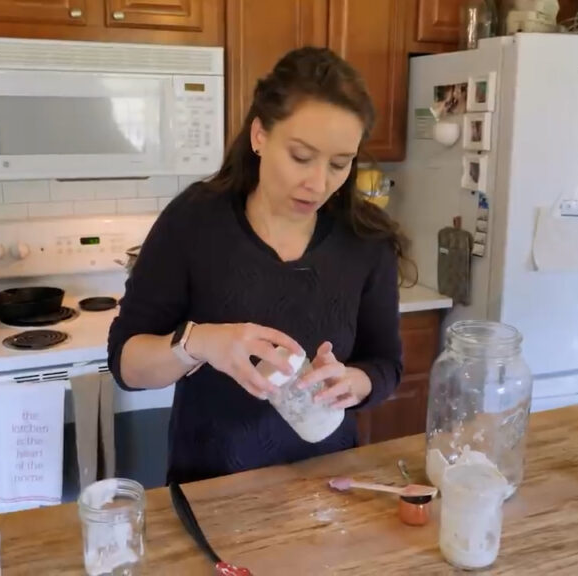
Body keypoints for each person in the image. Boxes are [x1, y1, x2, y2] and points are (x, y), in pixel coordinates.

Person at [107, 47, 409, 485]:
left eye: (340, 164)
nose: (319, 183)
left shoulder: (367, 242)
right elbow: (126, 363)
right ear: (260, 136)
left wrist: (353, 381)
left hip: (328, 486)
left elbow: (387, 365)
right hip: (211, 488)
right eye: (302, 157)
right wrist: (200, 342)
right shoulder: (195, 222)